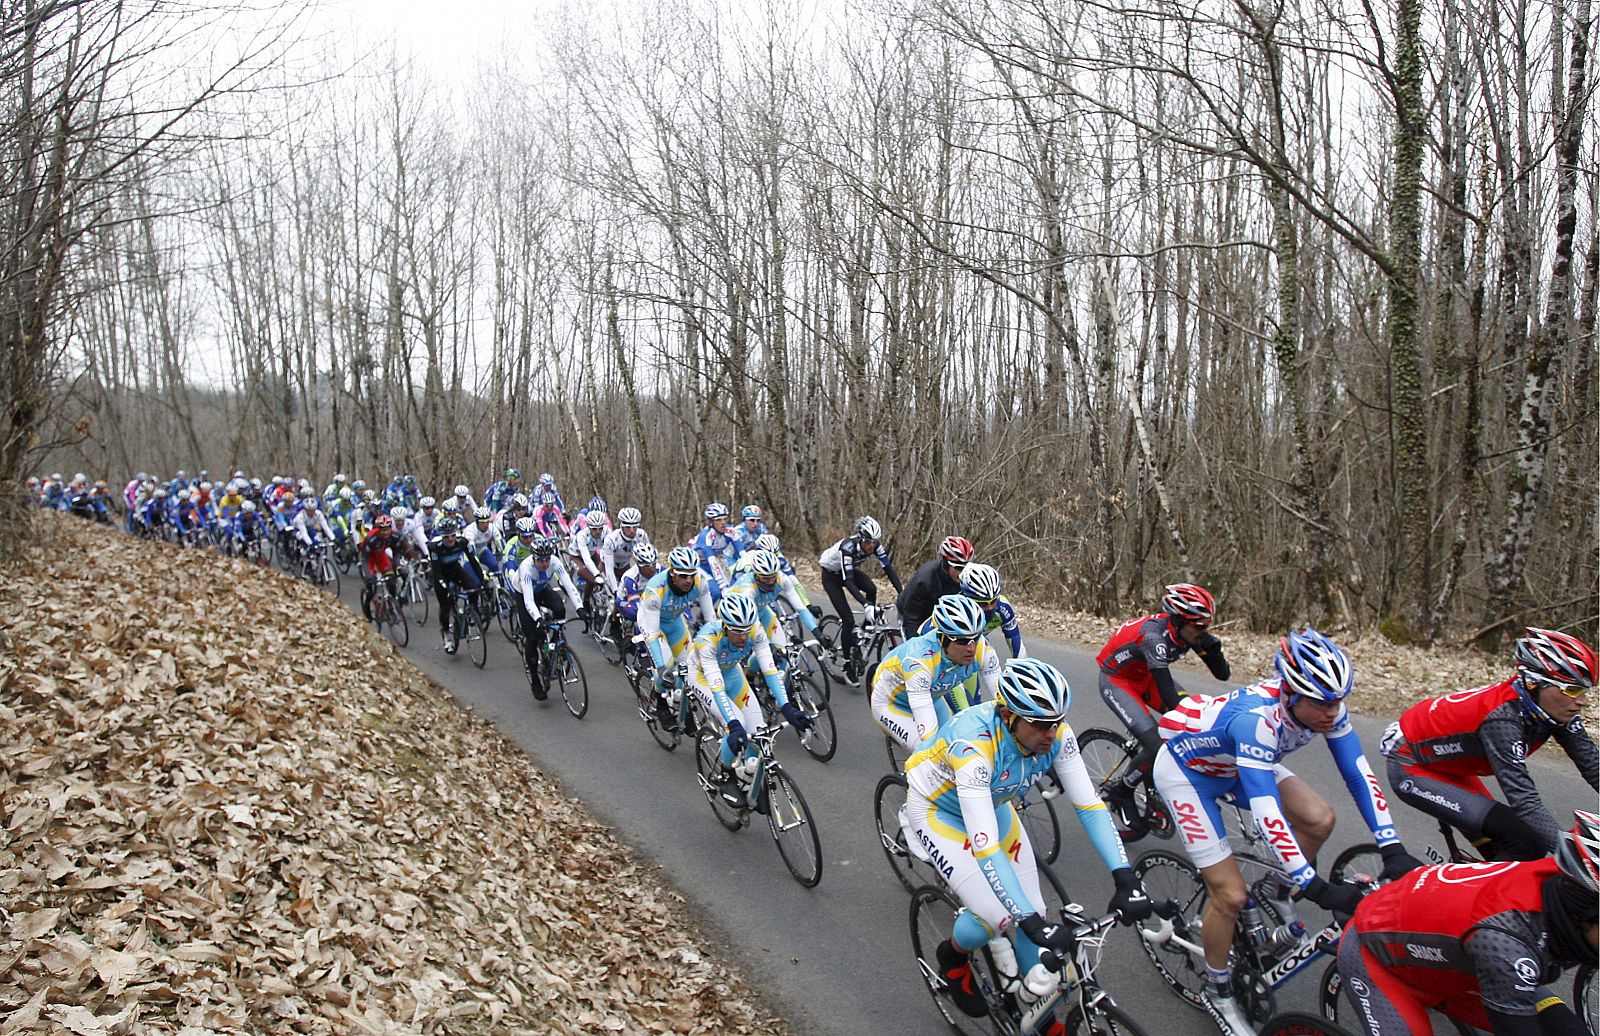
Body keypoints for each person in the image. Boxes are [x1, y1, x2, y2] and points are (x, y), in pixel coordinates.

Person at [1154, 628, 1425, 1036]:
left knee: (1319, 818)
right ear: (1290, 693)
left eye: (1337, 701)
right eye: (1320, 703)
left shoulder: (1327, 708)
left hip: (1240, 765)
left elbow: (1358, 773)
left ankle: (1276, 889)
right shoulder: (1256, 722)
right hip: (1188, 775)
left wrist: (1392, 846)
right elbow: (1266, 809)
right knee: (1229, 895)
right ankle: (1217, 986)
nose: (1331, 712)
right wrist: (1310, 882)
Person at [906, 658, 1153, 1023]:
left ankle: (1041, 1016)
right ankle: (953, 956)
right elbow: (985, 844)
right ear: (1008, 717)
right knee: (996, 916)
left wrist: (1125, 876)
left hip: (994, 803)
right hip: (939, 812)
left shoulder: (1057, 736)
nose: (1051, 735)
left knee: (1035, 914)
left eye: (1056, 722)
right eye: (1040, 725)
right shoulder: (974, 748)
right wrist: (1021, 918)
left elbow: (1090, 806)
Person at [1336, 810, 1599, 1036]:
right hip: (1377, 956)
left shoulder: (1566, 884)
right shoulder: (1506, 942)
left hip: (1457, 962)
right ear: (1584, 912)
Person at [1381, 627, 1597, 862]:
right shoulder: (1502, 721)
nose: (1583, 702)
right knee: (1527, 843)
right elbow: (1526, 801)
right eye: (1573, 690)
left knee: (1512, 849)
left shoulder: (1551, 708)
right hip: (1411, 764)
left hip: (1450, 764)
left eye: (1584, 691)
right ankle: (1446, 894)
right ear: (1535, 684)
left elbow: (1593, 766)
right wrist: (1579, 860)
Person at [1098, 583, 1230, 836]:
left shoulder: (1187, 632)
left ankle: (1161, 779)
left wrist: (1215, 653)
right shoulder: (1153, 638)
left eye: (1207, 625)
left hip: (1145, 675)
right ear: (1179, 620)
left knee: (1196, 719)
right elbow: (1169, 696)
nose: (1204, 631)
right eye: (1199, 626)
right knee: (1158, 743)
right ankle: (1122, 791)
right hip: (1118, 681)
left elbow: (1222, 675)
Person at [692, 593, 813, 806]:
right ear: (724, 626)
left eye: (746, 630)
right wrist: (733, 724)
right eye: (737, 631)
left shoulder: (755, 631)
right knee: (737, 721)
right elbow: (717, 688)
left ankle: (747, 778)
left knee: (759, 732)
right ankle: (726, 774)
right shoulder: (707, 640)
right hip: (703, 676)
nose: (743, 637)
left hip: (731, 672)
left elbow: (769, 670)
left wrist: (788, 708)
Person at [874, 595, 1002, 755]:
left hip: (932, 697)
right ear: (942, 639)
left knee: (961, 742)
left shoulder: (982, 649)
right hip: (892, 702)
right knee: (930, 752)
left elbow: (1002, 697)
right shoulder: (919, 660)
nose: (971, 648)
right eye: (961, 641)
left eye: (975, 637)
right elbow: (928, 730)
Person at [637, 546, 718, 729]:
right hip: (653, 624)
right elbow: (651, 634)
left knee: (688, 666)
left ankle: (684, 705)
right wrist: (660, 667)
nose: (688, 580)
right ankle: (661, 704)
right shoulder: (656, 589)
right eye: (683, 575)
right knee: (666, 665)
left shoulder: (700, 582)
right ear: (672, 572)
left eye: (691, 574)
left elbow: (711, 621)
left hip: (675, 622)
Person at [817, 515, 905, 681]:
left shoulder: (875, 545)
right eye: (867, 542)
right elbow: (848, 582)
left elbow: (888, 569)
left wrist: (902, 592)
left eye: (874, 542)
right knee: (848, 620)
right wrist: (866, 605)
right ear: (859, 538)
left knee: (871, 588)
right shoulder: (847, 548)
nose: (871, 546)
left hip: (846, 573)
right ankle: (847, 663)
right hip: (831, 576)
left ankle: (863, 631)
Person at [514, 535, 585, 701]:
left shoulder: (554, 562)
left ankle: (553, 644)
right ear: (534, 558)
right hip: (525, 593)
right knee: (532, 636)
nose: (544, 564)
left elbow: (569, 585)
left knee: (560, 609)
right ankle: (534, 679)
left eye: (546, 559)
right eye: (540, 560)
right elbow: (529, 601)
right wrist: (538, 619)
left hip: (542, 588)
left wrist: (580, 608)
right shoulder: (527, 568)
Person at [727, 549, 819, 653]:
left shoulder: (782, 578)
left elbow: (800, 607)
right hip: (740, 618)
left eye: (773, 577)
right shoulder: (748, 589)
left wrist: (817, 632)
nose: (771, 582)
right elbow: (753, 621)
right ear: (757, 576)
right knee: (758, 650)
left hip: (761, 610)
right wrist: (768, 645)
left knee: (782, 650)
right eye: (766, 579)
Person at [898, 535, 976, 639]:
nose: (963, 573)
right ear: (946, 564)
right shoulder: (924, 581)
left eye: (966, 567)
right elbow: (911, 619)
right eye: (958, 568)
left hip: (939, 615)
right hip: (913, 614)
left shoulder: (966, 578)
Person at [428, 516, 486, 654]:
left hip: (456, 570)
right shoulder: (435, 548)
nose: (451, 539)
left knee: (473, 589)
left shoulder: (462, 542)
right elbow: (436, 571)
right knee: (445, 605)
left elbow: (473, 562)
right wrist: (443, 585)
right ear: (442, 537)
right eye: (447, 537)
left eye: (453, 535)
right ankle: (447, 633)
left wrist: (482, 579)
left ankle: (470, 613)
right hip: (441, 575)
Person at [357, 514, 403, 620]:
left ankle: (391, 605)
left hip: (381, 557)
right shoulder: (371, 538)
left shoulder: (394, 536)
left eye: (387, 529)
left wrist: (398, 567)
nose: (385, 532)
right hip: (368, 559)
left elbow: (396, 554)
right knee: (371, 586)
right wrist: (369, 576)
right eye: (383, 530)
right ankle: (366, 604)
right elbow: (364, 558)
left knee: (391, 581)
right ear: (378, 529)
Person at [599, 507, 651, 593]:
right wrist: (615, 591)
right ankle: (586, 602)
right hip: (606, 567)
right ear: (621, 526)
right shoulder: (611, 539)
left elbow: (647, 561)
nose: (632, 531)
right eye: (628, 527)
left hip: (624, 567)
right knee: (616, 595)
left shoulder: (641, 535)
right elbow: (609, 570)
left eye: (635, 527)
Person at [693, 502, 740, 596]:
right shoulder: (705, 536)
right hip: (700, 566)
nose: (723, 523)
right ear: (711, 522)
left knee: (734, 587)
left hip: (717, 562)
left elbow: (743, 554)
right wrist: (722, 586)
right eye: (718, 520)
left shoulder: (730, 531)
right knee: (716, 592)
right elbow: (712, 562)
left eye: (725, 518)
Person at [531, 473, 567, 537]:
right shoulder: (537, 490)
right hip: (537, 507)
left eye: (550, 485)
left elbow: (558, 500)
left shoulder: (553, 488)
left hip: (548, 506)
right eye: (547, 485)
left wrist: (563, 510)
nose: (549, 487)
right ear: (542, 484)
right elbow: (536, 506)